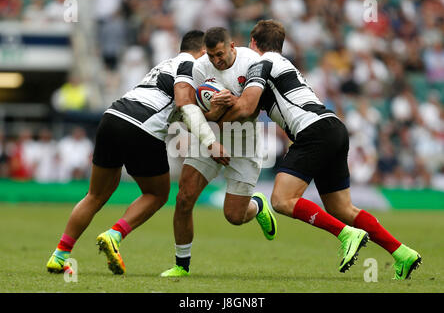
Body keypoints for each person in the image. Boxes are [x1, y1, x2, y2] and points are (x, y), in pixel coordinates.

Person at [215, 20, 422, 280]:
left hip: (312, 132)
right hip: (333, 128)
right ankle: (402, 252)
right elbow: (253, 108)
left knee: (281, 200)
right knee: (343, 209)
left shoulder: (262, 62)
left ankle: (346, 234)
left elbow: (246, 108)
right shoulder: (282, 64)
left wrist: (213, 116)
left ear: (253, 43)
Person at [46, 30, 227, 275]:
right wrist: (210, 142)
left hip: (112, 117)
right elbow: (184, 106)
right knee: (157, 194)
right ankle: (114, 235)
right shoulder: (190, 64)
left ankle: (60, 255)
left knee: (95, 195)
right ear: (203, 52)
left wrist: (211, 115)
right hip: (142, 126)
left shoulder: (164, 65)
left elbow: (180, 113)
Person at [160, 27, 277, 277]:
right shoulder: (199, 67)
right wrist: (212, 115)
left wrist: (232, 101)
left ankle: (257, 205)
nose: (216, 61)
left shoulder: (252, 62)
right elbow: (188, 113)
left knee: (234, 216)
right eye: (211, 55)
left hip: (244, 140)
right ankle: (181, 265)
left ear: (232, 46)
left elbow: (251, 109)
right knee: (183, 198)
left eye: (220, 54)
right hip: (210, 135)